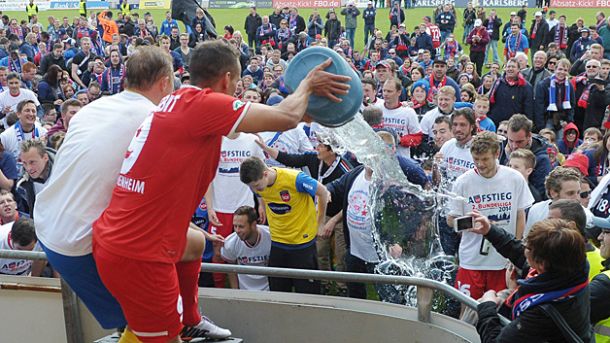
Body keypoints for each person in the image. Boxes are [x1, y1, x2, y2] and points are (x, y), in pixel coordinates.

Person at [91, 41, 349, 343]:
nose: (237, 90)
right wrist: (308, 84)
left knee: (194, 242)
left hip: (120, 237)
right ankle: (176, 327)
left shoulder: (180, 100)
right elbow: (287, 117)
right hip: (140, 254)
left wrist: (304, 109)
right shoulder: (204, 105)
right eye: (237, 83)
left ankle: (190, 319)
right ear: (227, 79)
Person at [472, 216, 592, 342]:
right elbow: (518, 252)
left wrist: (487, 307)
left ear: (541, 264)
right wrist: (490, 231)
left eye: (526, 246)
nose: (523, 248)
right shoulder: (571, 268)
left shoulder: (542, 314)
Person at [448, 131, 533, 301]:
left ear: (496, 154)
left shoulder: (514, 178)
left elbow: (519, 216)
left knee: (500, 310)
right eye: (476, 159)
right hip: (472, 259)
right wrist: (470, 223)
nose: (480, 164)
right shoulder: (463, 182)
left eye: (485, 159)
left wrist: (515, 253)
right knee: (468, 311)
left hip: (502, 261)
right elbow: (451, 220)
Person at [240, 156, 329, 295]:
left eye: (256, 186)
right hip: (278, 242)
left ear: (265, 173)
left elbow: (323, 192)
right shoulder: (258, 184)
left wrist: (320, 223)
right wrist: (262, 206)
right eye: (251, 187)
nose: (255, 190)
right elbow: (264, 194)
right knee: (278, 293)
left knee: (307, 294)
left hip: (302, 243)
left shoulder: (296, 179)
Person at [205, 131, 265, 289]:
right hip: (220, 208)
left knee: (247, 251)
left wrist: (261, 203)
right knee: (218, 254)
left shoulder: (252, 140)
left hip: (245, 206)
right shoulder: (214, 141)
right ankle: (220, 292)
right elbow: (207, 177)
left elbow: (261, 175)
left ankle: (248, 291)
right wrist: (210, 207)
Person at [220, 206, 271, 291]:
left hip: (269, 291)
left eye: (241, 226)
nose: (237, 230)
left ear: (254, 224)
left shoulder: (270, 237)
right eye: (235, 226)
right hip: (245, 292)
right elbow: (230, 269)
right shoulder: (230, 243)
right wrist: (236, 292)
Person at [499, 114, 551, 197]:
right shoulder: (503, 149)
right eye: (511, 140)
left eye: (519, 142)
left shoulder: (542, 159)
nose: (514, 146)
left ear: (529, 136)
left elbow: (541, 196)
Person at [381, 78, 422, 158]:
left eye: (389, 91)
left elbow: (418, 137)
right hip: (381, 158)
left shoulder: (408, 112)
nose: (385, 94)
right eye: (384, 91)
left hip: (401, 159)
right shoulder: (377, 109)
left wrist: (400, 140)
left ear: (399, 92)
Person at [488, 58, 534, 126]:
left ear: (519, 69)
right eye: (508, 66)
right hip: (496, 123)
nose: (510, 69)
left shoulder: (526, 87)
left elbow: (528, 110)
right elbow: (490, 102)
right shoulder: (497, 83)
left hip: (515, 126)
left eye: (513, 67)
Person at [15, 139, 53, 218]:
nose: (28, 168)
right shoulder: (24, 182)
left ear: (45, 158)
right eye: (24, 163)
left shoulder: (63, 169)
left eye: (32, 162)